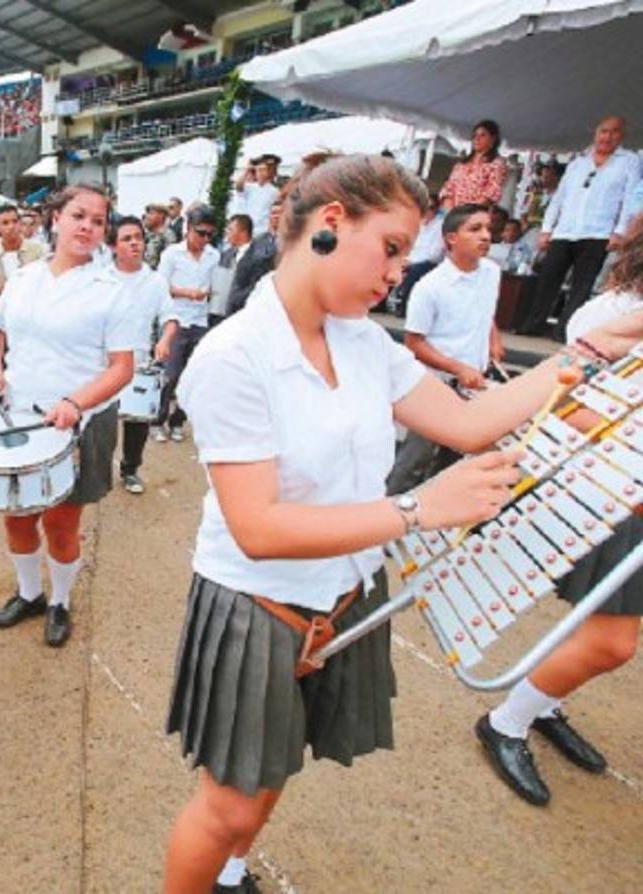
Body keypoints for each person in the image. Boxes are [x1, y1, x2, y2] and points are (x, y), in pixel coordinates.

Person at [158, 152, 643, 894]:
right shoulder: (232, 356)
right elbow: (258, 527)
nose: (396, 275)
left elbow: (470, 422)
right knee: (227, 803)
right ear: (329, 224)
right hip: (258, 606)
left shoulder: (361, 341)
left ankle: (228, 877)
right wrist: (421, 508)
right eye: (390, 249)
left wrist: (583, 355)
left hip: (343, 594)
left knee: (272, 771)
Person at [477, 216, 643, 807]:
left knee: (600, 631)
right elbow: (555, 402)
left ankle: (544, 703)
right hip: (613, 491)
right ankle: (508, 721)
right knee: (612, 642)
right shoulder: (608, 315)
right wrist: (624, 440)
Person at [0, 184, 135, 646]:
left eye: (98, 221)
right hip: (19, 415)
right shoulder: (26, 277)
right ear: (55, 219)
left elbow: (122, 368)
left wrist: (74, 403)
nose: (87, 226)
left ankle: (60, 601)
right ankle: (28, 593)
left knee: (62, 523)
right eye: (78, 215)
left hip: (80, 422)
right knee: (17, 515)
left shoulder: (111, 290)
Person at [386, 203, 503, 494]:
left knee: (457, 460)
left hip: (474, 383)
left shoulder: (492, 272)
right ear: (451, 238)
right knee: (415, 459)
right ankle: (384, 519)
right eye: (475, 229)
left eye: (488, 229)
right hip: (436, 385)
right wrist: (458, 367)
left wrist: (493, 340)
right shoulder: (430, 287)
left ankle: (437, 522)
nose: (486, 236)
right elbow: (414, 343)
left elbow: (485, 314)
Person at [519, 116, 642, 337]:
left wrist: (620, 231)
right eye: (603, 131)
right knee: (548, 278)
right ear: (596, 134)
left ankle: (564, 331)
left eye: (614, 132)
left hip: (599, 232)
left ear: (621, 135)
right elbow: (560, 197)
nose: (607, 136)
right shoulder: (579, 162)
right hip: (565, 230)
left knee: (581, 286)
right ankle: (533, 325)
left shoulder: (629, 161)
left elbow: (629, 198)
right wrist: (547, 228)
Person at [109, 215, 178, 494]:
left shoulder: (155, 281)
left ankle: (130, 469)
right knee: (97, 421)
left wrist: (165, 338)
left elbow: (170, 317)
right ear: (114, 246)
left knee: (137, 422)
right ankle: (90, 469)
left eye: (138, 237)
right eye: (127, 238)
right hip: (100, 363)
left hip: (138, 360)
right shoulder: (100, 277)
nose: (135, 243)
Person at [155, 207, 219, 442]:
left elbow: (217, 286)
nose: (205, 239)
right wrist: (186, 293)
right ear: (187, 229)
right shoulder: (172, 254)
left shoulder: (213, 256)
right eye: (200, 233)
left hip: (201, 321)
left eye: (210, 235)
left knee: (192, 376)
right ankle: (157, 421)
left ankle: (177, 421)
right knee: (170, 375)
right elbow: (160, 287)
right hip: (176, 320)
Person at [0, 205, 45, 303]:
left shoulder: (37, 250)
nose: (11, 226)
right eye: (5, 223)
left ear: (20, 224)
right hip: (5, 313)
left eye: (15, 221)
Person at [439, 119, 509, 210]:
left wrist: (465, 213)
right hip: (452, 214)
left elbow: (492, 193)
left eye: (483, 135)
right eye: (475, 135)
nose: (477, 138)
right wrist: (450, 208)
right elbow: (448, 187)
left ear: (493, 139)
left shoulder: (497, 164)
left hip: (475, 215)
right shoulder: (462, 164)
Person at [209, 214, 252, 327]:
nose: (226, 232)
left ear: (243, 233)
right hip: (221, 317)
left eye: (230, 229)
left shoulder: (257, 257)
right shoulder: (226, 255)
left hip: (244, 317)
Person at [230, 160, 280, 235]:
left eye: (262, 170)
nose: (259, 172)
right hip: (247, 228)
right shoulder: (250, 187)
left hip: (262, 230)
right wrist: (247, 171)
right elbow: (238, 186)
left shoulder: (275, 191)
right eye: (258, 170)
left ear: (268, 173)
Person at [143, 203, 177, 270]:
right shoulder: (146, 236)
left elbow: (171, 260)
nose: (147, 216)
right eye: (147, 213)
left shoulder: (167, 235)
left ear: (161, 216)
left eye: (151, 213)